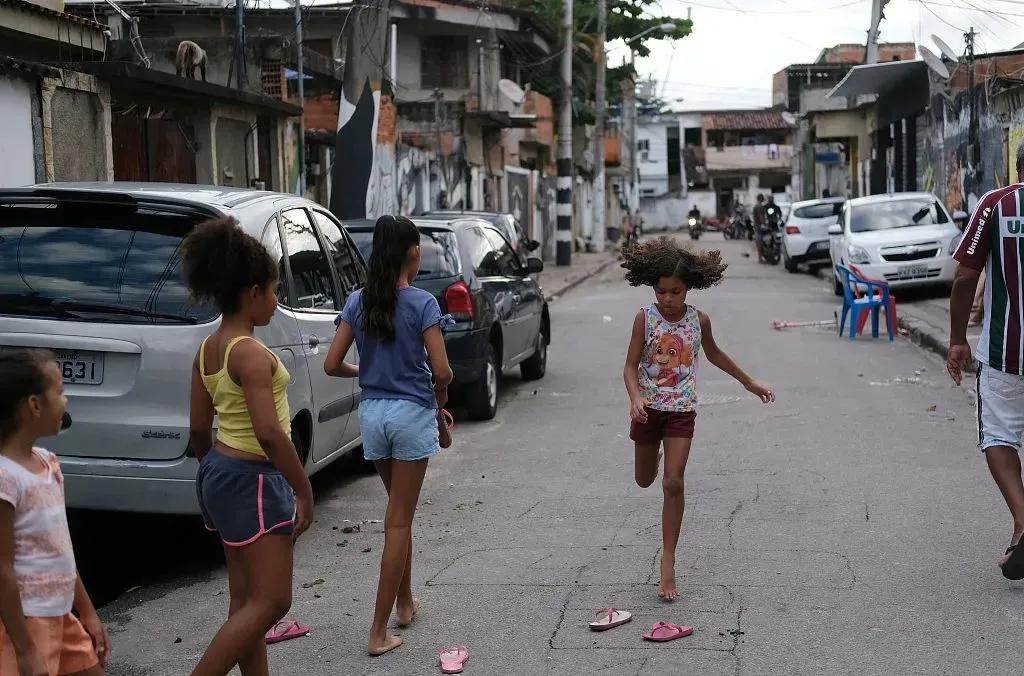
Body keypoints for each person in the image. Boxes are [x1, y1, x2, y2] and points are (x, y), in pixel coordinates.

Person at [183, 218, 314, 675]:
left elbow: (199, 428)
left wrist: (211, 472)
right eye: (275, 292)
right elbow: (271, 435)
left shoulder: (208, 349)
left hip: (220, 471)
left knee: (245, 600)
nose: (277, 303)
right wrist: (303, 489)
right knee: (274, 600)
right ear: (253, 292)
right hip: (255, 479)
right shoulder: (251, 354)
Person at [325, 215, 453, 656]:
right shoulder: (422, 303)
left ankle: (405, 603)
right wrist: (442, 394)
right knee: (398, 521)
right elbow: (441, 370)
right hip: (411, 415)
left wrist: (367, 371)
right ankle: (378, 631)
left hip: (373, 416)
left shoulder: (359, 301)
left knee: (400, 513)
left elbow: (331, 363)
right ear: (413, 254)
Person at [621, 237, 775, 601]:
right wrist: (635, 397)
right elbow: (629, 367)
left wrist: (749, 383)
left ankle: (668, 563)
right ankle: (653, 455)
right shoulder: (645, 318)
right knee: (645, 480)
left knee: (673, 483)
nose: (669, 299)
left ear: (688, 287)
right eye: (662, 291)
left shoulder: (697, 320)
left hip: (681, 411)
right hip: (648, 410)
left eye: (675, 291)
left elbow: (716, 354)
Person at [0, 349, 109, 676]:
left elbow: (60, 548)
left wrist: (87, 611)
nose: (66, 400)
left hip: (61, 614)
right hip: (28, 623)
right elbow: (2, 568)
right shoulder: (6, 478)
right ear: (34, 405)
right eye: (59, 391)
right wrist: (24, 649)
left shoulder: (48, 464)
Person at [948, 144, 1024, 580]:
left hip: (1005, 352)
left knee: (998, 435)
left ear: (1017, 164)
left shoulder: (996, 205)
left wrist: (957, 338)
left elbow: (964, 278)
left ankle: (1021, 520)